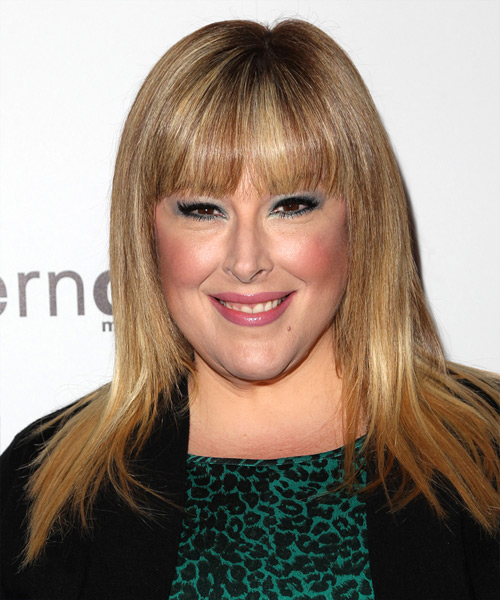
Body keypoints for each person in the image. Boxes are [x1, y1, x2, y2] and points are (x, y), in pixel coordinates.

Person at [1, 18, 499, 600]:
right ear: (147, 232)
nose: (246, 261)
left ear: (361, 217)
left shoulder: (487, 454)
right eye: (203, 209)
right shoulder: (45, 486)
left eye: (291, 205)